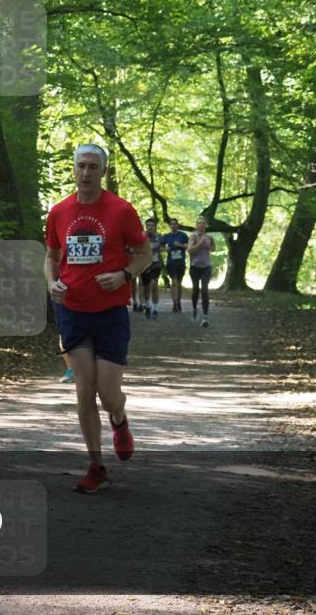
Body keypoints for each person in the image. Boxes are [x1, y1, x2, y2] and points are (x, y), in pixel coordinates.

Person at [45, 144, 152, 494]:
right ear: (73, 170)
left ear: (103, 171)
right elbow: (51, 257)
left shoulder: (121, 210)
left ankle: (119, 420)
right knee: (83, 389)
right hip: (73, 310)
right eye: (81, 166)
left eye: (93, 166)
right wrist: (51, 283)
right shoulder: (60, 211)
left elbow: (144, 254)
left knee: (108, 393)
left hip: (110, 312)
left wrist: (123, 275)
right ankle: (96, 466)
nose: (86, 172)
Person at [187, 215, 216, 327]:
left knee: (204, 289)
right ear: (196, 225)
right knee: (195, 289)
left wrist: (212, 248)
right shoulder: (193, 237)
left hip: (206, 267)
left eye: (203, 223)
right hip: (194, 267)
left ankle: (205, 317)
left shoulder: (209, 237)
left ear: (206, 225)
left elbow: (213, 247)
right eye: (199, 223)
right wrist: (200, 242)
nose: (201, 225)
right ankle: (194, 309)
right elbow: (190, 251)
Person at [162, 218, 189, 312]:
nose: (173, 225)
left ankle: (178, 301)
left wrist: (180, 245)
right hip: (171, 263)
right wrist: (166, 249)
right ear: (169, 226)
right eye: (172, 224)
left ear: (178, 225)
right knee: (174, 281)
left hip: (181, 262)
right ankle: (174, 303)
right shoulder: (166, 236)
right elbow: (161, 248)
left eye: (175, 224)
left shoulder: (183, 235)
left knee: (179, 283)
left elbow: (189, 246)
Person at [139, 217, 163, 320]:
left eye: (152, 225)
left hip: (156, 264)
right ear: (146, 226)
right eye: (148, 225)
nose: (150, 227)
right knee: (146, 287)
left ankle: (155, 309)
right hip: (144, 265)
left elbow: (163, 247)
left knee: (154, 284)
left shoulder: (160, 237)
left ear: (155, 227)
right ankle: (147, 305)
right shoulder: (142, 237)